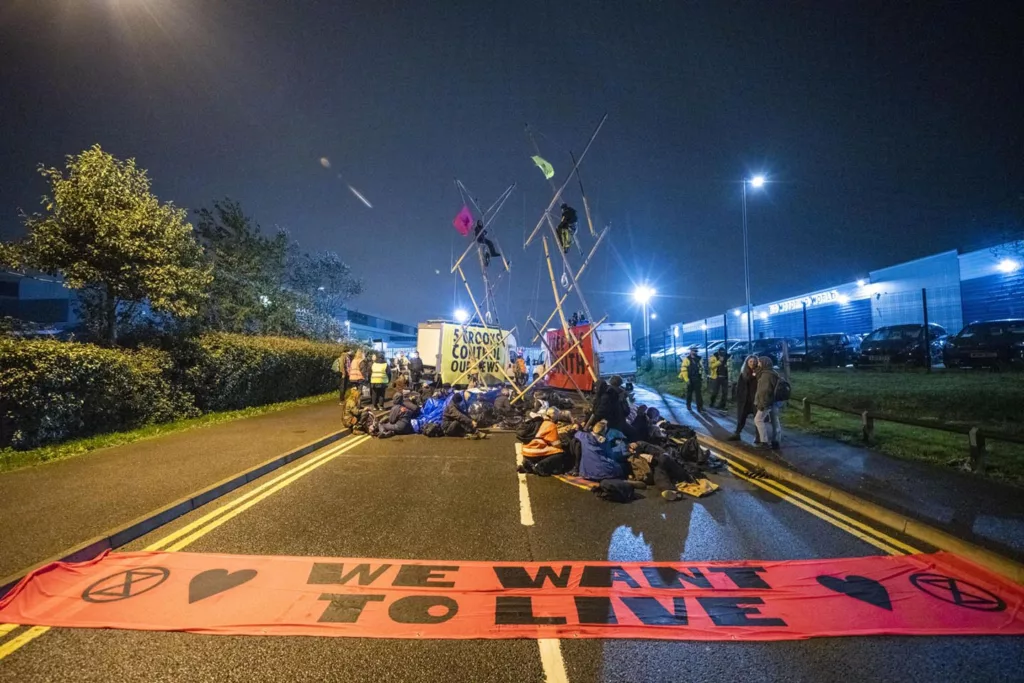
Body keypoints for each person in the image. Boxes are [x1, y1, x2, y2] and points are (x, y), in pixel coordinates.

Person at [729, 356, 761, 442]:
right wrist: (738, 397)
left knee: (757, 419)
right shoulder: (743, 373)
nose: (752, 363)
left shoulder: (759, 372)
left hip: (755, 399)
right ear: (747, 362)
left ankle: (758, 437)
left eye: (754, 361)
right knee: (741, 417)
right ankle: (737, 433)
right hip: (745, 399)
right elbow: (739, 387)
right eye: (750, 361)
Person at [754, 356, 782, 450]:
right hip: (775, 401)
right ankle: (776, 441)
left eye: (759, 362)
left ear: (764, 363)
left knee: (758, 420)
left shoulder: (766, 375)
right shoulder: (773, 372)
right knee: (775, 421)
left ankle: (764, 441)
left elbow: (764, 391)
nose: (758, 364)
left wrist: (762, 404)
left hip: (767, 402)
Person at [679, 347, 705, 412]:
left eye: (696, 351)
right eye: (693, 351)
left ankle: (700, 407)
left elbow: (702, 369)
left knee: (698, 394)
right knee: (689, 393)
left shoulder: (699, 359)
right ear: (690, 351)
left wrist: (702, 377)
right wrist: (686, 379)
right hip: (690, 379)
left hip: (697, 378)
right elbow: (684, 370)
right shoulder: (686, 359)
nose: (695, 352)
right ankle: (688, 405)